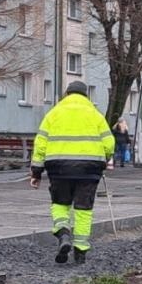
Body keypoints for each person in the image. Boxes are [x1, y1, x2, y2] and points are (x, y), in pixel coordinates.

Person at [30, 81, 114, 264]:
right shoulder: (96, 115)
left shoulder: (53, 113)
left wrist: (36, 172)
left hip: (59, 168)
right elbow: (109, 143)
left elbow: (40, 144)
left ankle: (63, 234)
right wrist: (105, 159)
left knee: (60, 204)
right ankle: (80, 251)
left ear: (66, 94)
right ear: (86, 96)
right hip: (89, 169)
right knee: (84, 210)